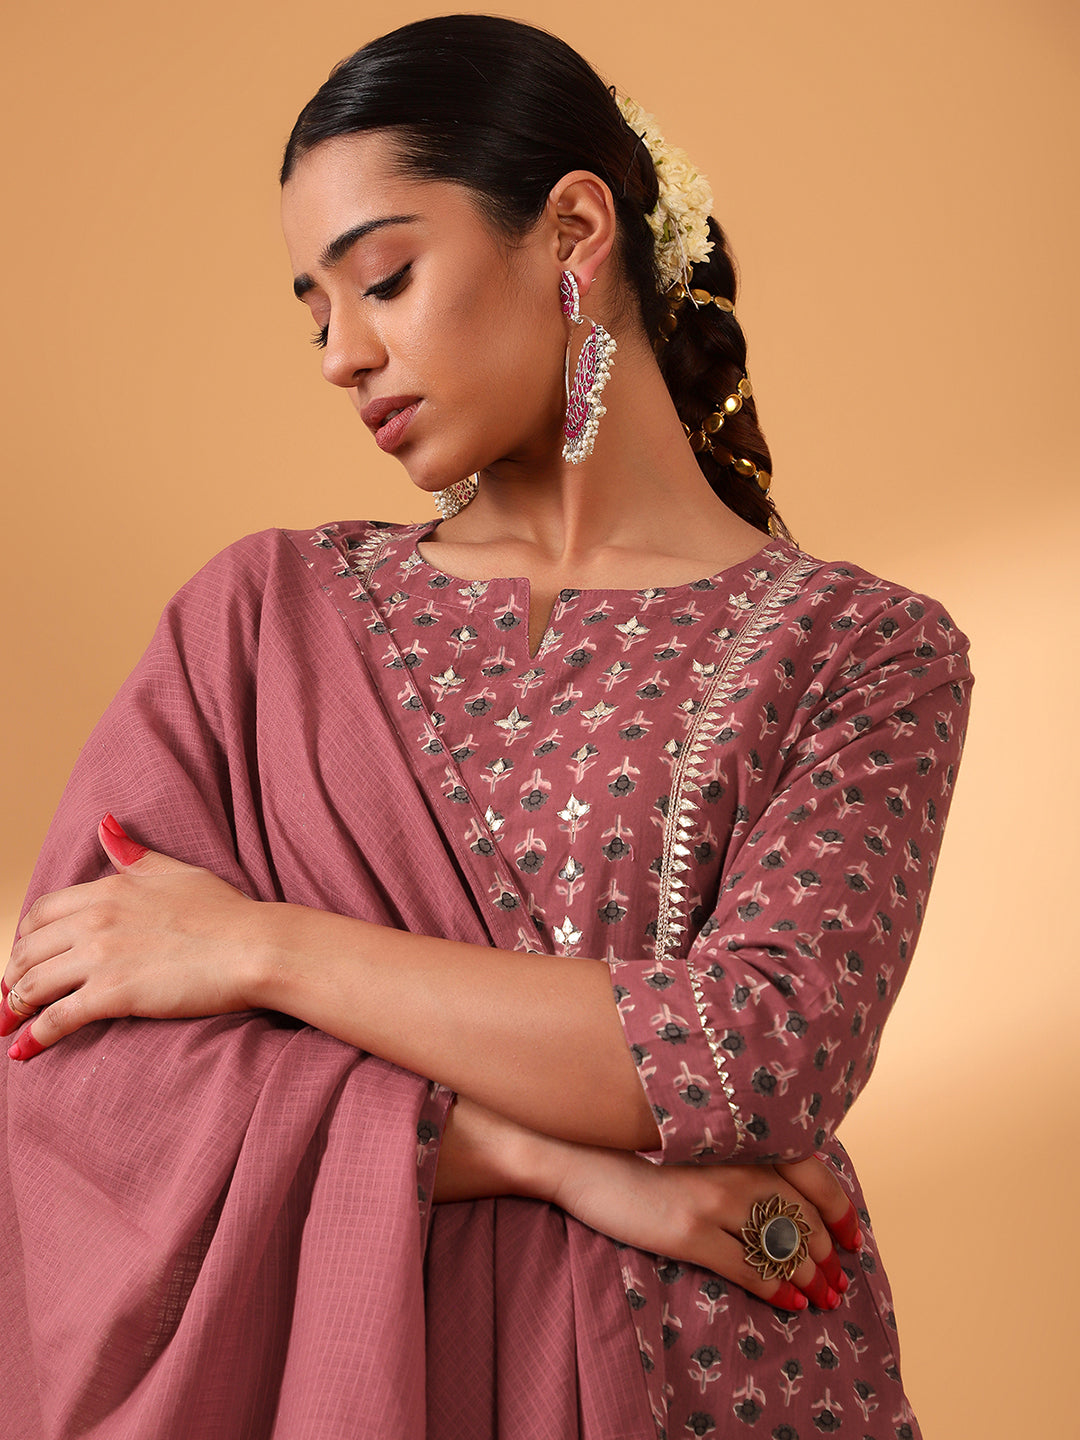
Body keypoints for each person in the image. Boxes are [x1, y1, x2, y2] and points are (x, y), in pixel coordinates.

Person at [0, 15, 972, 1439]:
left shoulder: (861, 649)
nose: (341, 355)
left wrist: (261, 947)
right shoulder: (259, 625)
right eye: (315, 312)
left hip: (718, 1383)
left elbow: (756, 1051)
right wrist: (554, 1159)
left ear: (573, 229)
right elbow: (78, 1075)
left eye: (384, 279)